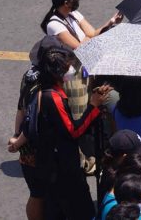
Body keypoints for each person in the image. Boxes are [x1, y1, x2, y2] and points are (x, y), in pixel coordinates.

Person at [36, 47, 111, 219]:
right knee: (81, 210)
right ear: (57, 73)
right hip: (62, 167)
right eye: (67, 67)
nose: (71, 70)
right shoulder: (53, 97)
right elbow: (73, 131)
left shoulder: (48, 90)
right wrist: (93, 105)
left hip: (55, 163)